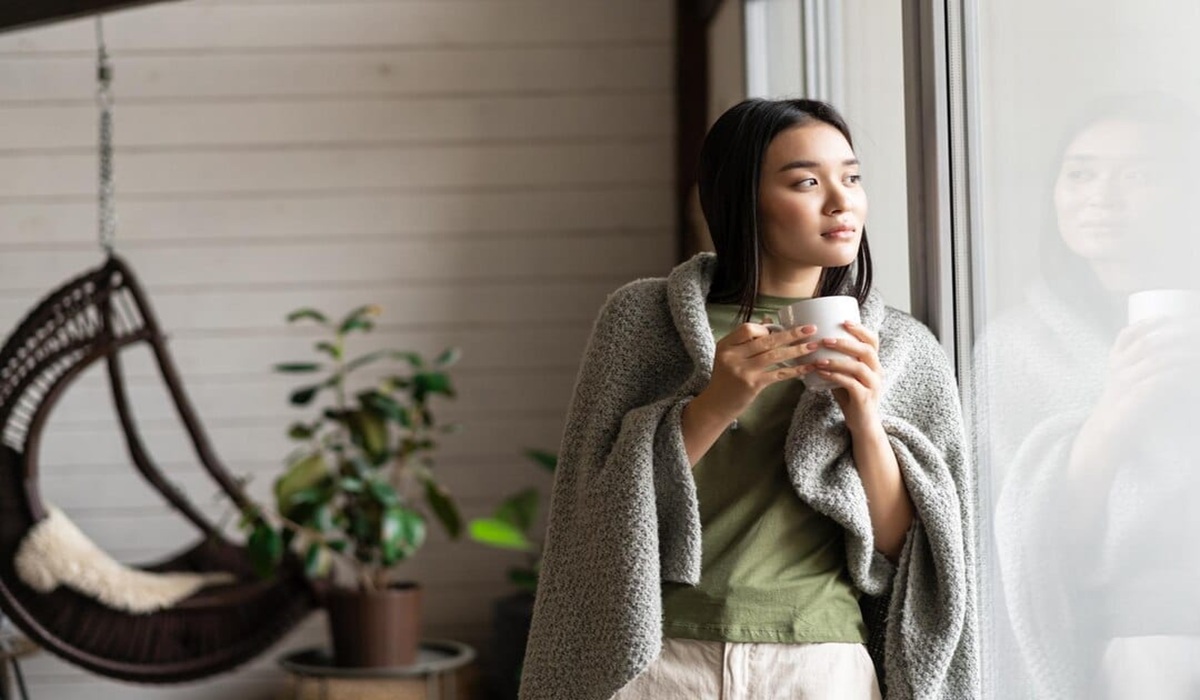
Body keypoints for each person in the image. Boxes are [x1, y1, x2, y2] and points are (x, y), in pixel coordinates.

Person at [518, 98, 977, 700]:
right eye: (807, 182)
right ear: (742, 198)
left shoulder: (902, 347)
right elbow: (597, 511)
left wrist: (865, 418)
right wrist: (717, 401)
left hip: (819, 664)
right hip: (660, 659)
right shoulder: (643, 320)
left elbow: (911, 551)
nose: (842, 202)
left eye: (852, 177)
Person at [982, 94, 1200, 699]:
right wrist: (1117, 413)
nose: (1102, 196)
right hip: (1133, 645)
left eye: (1138, 176)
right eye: (1081, 173)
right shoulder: (1016, 349)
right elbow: (1022, 544)